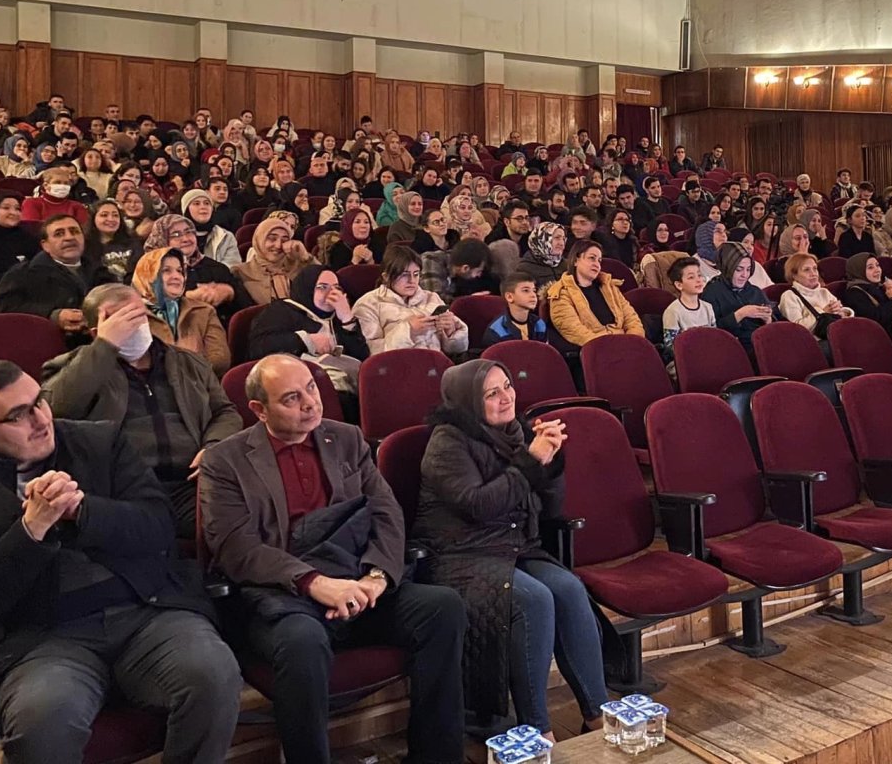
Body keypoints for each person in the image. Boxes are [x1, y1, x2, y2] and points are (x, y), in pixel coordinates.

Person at [0, 359, 241, 763]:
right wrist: (30, 531)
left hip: (144, 611)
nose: (41, 420)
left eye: (39, 402)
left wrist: (83, 511)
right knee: (42, 723)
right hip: (40, 639)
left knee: (214, 674)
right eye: (18, 416)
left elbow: (158, 527)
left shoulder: (100, 441)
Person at [199, 354, 466, 764]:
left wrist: (377, 576)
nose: (310, 403)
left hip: (355, 580)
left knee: (442, 607)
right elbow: (236, 547)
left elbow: (386, 512)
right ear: (259, 409)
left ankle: (435, 757)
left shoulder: (346, 438)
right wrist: (314, 583)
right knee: (302, 642)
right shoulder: (225, 461)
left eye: (311, 387)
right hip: (282, 594)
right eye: (291, 398)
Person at [415, 360, 609, 741]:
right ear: (469, 400)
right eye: (492, 393)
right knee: (535, 600)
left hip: (513, 546)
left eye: (507, 386)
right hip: (459, 556)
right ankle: (537, 729)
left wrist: (552, 463)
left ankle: (596, 714)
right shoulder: (446, 442)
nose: (506, 397)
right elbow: (480, 506)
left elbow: (550, 509)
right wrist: (532, 460)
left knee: (569, 588)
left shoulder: (517, 432)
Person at [39, 283, 238, 536]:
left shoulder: (187, 362)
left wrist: (214, 445)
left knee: (243, 517)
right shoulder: (71, 367)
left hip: (192, 481)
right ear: (96, 331)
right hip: (124, 488)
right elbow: (55, 409)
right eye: (122, 320)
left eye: (138, 316)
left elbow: (224, 412)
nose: (134, 325)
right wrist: (104, 346)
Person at [249, 266, 369, 399]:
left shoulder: (338, 314)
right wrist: (306, 340)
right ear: (308, 288)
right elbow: (258, 347)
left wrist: (347, 320)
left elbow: (362, 359)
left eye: (337, 288)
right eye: (323, 287)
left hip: (344, 384)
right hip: (297, 385)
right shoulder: (282, 311)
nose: (332, 294)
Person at [0, 215, 112, 341]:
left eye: (74, 231)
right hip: (46, 342)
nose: (69, 237)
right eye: (59, 234)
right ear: (45, 245)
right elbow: (3, 309)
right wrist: (53, 315)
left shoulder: (100, 271)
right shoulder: (23, 274)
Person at [354, 245, 468, 356]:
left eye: (416, 274)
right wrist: (408, 331)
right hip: (399, 366)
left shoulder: (431, 298)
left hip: (438, 364)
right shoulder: (368, 304)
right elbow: (372, 352)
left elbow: (458, 349)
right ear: (386, 277)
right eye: (404, 275)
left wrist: (450, 332)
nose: (412, 281)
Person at [131, 248, 230, 375]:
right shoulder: (132, 316)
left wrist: (183, 371)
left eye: (179, 271)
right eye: (166, 270)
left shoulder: (203, 311)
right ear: (147, 275)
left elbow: (221, 360)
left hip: (198, 384)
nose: (176, 276)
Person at [546, 240, 644, 346]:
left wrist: (633, 341)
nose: (597, 264)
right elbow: (577, 332)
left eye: (599, 261)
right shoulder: (560, 293)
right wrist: (613, 345)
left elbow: (631, 318)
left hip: (625, 343)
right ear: (575, 261)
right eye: (592, 258)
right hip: (596, 349)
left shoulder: (609, 287)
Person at [702, 242, 773, 353]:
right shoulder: (712, 292)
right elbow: (710, 331)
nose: (745, 275)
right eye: (739, 269)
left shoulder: (754, 291)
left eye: (748, 269)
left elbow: (774, 324)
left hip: (762, 345)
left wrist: (768, 320)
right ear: (727, 267)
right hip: (730, 350)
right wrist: (741, 314)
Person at [233, 214, 314, 305]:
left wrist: (306, 257)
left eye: (284, 240)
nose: (278, 245)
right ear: (259, 240)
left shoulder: (298, 266)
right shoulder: (239, 272)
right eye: (272, 239)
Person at [778, 252, 852, 334]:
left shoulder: (824, 292)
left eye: (815, 268)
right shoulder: (789, 296)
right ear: (794, 275)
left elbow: (840, 318)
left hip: (834, 335)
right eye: (806, 270)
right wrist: (822, 313)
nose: (813, 274)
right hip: (810, 340)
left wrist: (843, 312)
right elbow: (797, 330)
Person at [480, 272, 548, 348]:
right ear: (509, 297)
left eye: (534, 291)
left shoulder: (539, 324)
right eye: (526, 290)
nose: (533, 295)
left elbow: (544, 352)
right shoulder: (496, 330)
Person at [842, 253, 892, 331]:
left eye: (877, 265)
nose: (877, 270)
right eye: (870, 267)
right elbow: (876, 318)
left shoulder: (881, 286)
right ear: (858, 270)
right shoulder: (854, 293)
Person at [663, 257, 715, 348]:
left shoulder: (708, 307)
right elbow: (670, 346)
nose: (698, 280)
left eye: (699, 275)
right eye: (691, 277)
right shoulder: (673, 311)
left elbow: (715, 337)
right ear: (679, 285)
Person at [179, 189, 240, 267]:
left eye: (207, 203)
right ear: (186, 209)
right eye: (196, 203)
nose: (203, 207)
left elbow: (232, 267)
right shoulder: (176, 237)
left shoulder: (225, 236)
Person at [327, 206, 386, 270]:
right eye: (357, 222)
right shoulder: (338, 249)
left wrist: (370, 261)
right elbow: (336, 275)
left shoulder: (378, 244)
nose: (363, 226)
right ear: (348, 225)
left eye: (366, 222)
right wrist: (354, 261)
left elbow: (385, 273)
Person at [516, 221, 566, 289]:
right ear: (541, 239)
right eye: (557, 238)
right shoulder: (525, 269)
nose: (562, 243)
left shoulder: (566, 265)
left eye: (563, 239)